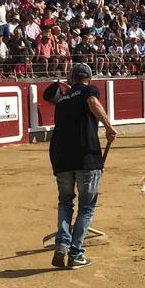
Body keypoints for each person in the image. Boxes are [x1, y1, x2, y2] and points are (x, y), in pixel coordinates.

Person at [42, 62, 117, 269]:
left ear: (71, 79)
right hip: (86, 157)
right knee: (86, 206)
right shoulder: (88, 91)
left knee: (65, 202)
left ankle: (62, 244)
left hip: (61, 159)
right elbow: (92, 100)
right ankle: (75, 253)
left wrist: (65, 86)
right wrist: (109, 126)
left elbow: (47, 95)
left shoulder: (61, 100)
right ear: (89, 79)